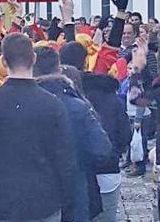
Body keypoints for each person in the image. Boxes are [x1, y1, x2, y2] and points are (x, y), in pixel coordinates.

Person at [0, 33, 77, 222]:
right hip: (44, 199)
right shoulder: (52, 104)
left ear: (3, 61)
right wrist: (68, 200)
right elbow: (65, 157)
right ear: (33, 59)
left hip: (1, 199)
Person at [34, 46, 113, 221]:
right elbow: (102, 150)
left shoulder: (23, 106)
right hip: (74, 193)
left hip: (35, 198)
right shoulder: (76, 106)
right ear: (58, 68)